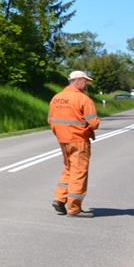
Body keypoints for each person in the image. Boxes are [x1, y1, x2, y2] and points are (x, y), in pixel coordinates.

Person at [48, 70, 101, 218]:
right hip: (79, 140)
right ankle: (74, 208)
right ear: (78, 81)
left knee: (69, 169)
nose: (86, 84)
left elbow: (50, 120)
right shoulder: (83, 99)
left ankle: (59, 199)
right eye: (85, 81)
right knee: (79, 173)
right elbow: (94, 124)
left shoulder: (57, 98)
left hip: (63, 139)